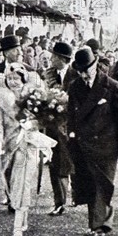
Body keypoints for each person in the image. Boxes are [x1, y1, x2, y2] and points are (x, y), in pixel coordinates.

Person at [67, 46, 118, 236]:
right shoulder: (75, 86)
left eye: (87, 69)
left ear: (95, 66)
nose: (84, 74)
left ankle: (101, 227)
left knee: (103, 186)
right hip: (83, 145)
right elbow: (71, 114)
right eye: (80, 71)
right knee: (89, 185)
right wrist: (71, 133)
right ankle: (95, 224)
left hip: (107, 146)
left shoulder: (111, 86)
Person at [0, 63, 54, 236]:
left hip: (27, 145)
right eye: (10, 79)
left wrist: (33, 124)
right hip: (7, 146)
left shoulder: (33, 96)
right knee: (11, 182)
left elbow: (42, 120)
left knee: (22, 183)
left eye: (16, 78)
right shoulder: (0, 99)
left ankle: (17, 227)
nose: (13, 82)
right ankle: (22, 213)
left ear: (23, 79)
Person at [0, 35, 34, 210]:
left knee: (21, 162)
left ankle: (16, 197)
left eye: (20, 48)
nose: (19, 52)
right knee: (5, 162)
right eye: (15, 49)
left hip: (21, 125)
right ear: (5, 53)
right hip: (2, 123)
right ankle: (8, 193)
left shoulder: (28, 70)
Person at [43, 42, 77, 216]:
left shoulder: (75, 75)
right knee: (55, 163)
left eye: (54, 56)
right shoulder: (48, 75)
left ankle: (75, 195)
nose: (51, 59)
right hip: (53, 126)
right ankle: (59, 202)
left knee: (72, 162)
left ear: (63, 59)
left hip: (72, 126)